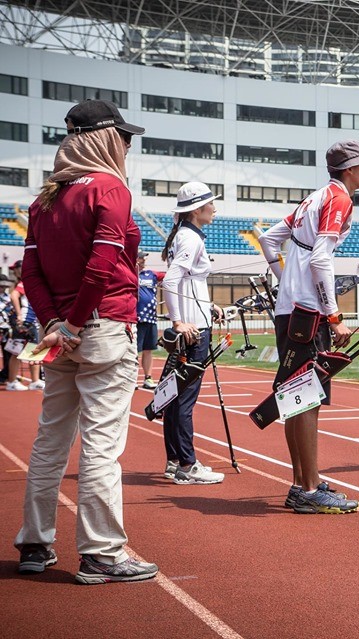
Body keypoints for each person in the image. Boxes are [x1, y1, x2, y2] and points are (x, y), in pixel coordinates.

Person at [14, 98, 158, 583]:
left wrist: (56, 323)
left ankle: (34, 543)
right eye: (125, 137)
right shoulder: (110, 188)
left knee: (50, 439)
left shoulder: (45, 199)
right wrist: (74, 323)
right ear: (105, 138)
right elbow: (100, 266)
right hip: (100, 328)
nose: (129, 146)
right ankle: (102, 552)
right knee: (101, 445)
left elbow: (30, 271)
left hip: (58, 332)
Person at [258, 140, 359, 514]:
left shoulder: (313, 198)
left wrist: (286, 279)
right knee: (307, 399)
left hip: (291, 307)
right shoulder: (338, 199)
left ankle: (301, 483)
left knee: (294, 397)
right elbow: (322, 258)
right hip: (308, 313)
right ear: (350, 169)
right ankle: (307, 489)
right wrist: (334, 314)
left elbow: (268, 239)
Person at [159, 182, 225, 485]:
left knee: (175, 396)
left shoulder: (185, 235)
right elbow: (170, 282)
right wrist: (178, 323)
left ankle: (175, 461)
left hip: (194, 321)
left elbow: (186, 284)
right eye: (211, 204)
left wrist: (207, 306)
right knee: (184, 400)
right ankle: (188, 464)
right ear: (197, 210)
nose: (214, 208)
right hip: (193, 331)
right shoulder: (190, 239)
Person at [7, 260, 44, 391]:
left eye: (16, 268)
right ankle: (12, 382)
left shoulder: (28, 282)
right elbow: (14, 295)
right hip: (25, 322)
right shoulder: (23, 283)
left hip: (31, 322)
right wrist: (19, 315)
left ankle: (35, 381)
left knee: (34, 349)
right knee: (17, 351)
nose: (15, 271)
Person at [136, 251, 161, 389]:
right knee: (134, 350)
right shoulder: (130, 274)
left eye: (143, 258)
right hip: (137, 318)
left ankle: (148, 378)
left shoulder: (151, 274)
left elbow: (170, 277)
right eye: (140, 257)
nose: (143, 260)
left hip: (151, 318)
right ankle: (131, 378)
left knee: (148, 349)